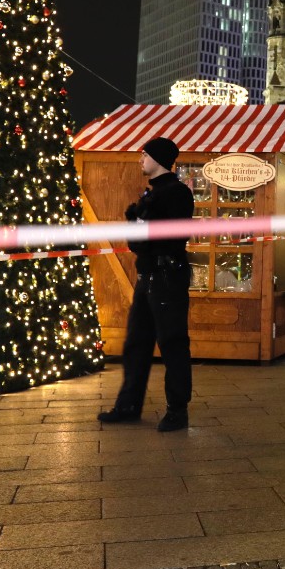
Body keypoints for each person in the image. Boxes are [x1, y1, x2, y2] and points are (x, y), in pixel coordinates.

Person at [98, 137, 195, 432]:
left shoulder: (176, 193)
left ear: (160, 159)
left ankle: (177, 411)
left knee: (172, 343)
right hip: (148, 277)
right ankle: (128, 405)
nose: (141, 159)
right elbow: (137, 243)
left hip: (166, 277)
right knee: (136, 344)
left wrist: (145, 227)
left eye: (146, 154)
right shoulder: (152, 194)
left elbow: (173, 238)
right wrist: (138, 224)